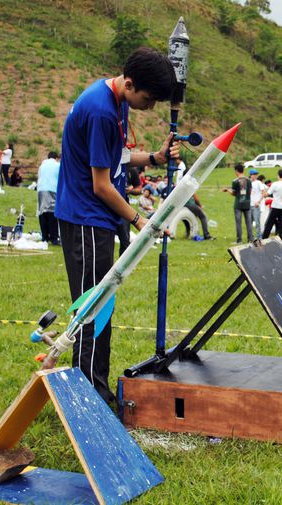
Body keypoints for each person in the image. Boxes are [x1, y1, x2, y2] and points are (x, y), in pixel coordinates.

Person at [55, 47, 179, 403]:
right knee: (92, 309)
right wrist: (143, 220)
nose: (150, 106)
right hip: (86, 219)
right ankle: (89, 395)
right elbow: (101, 185)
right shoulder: (100, 110)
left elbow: (117, 157)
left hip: (101, 218)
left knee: (102, 304)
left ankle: (95, 387)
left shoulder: (117, 101)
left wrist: (154, 158)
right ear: (128, 83)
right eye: (148, 98)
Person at [224, 163, 253, 243]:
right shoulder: (249, 180)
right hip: (247, 204)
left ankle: (239, 240)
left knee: (238, 223)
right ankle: (250, 239)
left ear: (236, 171)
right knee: (249, 223)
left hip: (238, 205)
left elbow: (234, 193)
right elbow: (250, 191)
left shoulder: (235, 181)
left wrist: (227, 190)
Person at [37, 151, 61, 245]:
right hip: (52, 189)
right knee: (52, 213)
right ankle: (54, 238)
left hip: (41, 190)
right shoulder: (57, 165)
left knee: (42, 212)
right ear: (56, 158)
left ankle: (44, 237)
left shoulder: (42, 166)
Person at [249, 169, 266, 239]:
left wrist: (259, 201)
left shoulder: (258, 183)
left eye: (256, 174)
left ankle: (259, 237)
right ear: (251, 175)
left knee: (257, 223)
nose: (256, 176)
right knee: (249, 223)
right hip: (249, 206)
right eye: (254, 174)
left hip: (256, 206)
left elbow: (263, 192)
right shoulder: (248, 182)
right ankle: (251, 237)